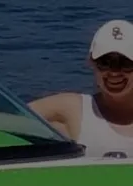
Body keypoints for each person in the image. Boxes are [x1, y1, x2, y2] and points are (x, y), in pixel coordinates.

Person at [28, 19, 133, 157]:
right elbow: (9, 119)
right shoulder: (73, 110)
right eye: (105, 63)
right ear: (91, 62)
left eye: (125, 63)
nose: (114, 72)